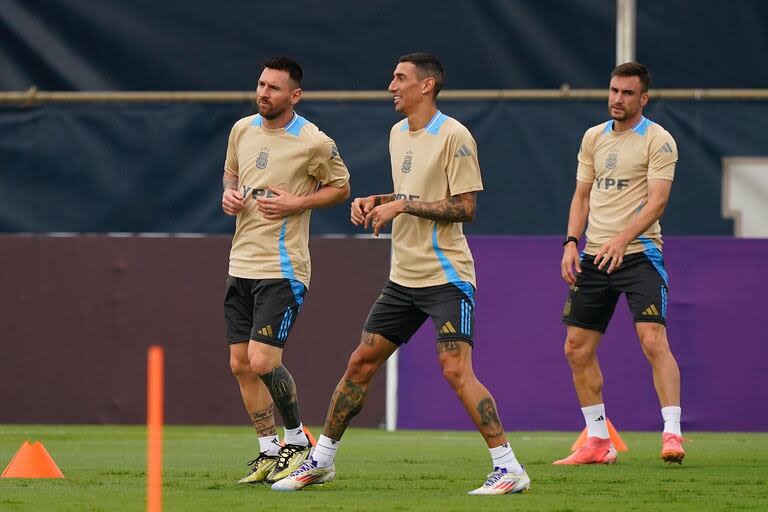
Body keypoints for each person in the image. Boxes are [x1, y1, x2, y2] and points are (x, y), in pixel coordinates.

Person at [273, 53, 530, 495]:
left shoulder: (455, 135)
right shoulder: (397, 133)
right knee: (360, 363)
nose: (391, 85)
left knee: (455, 370)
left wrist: (403, 205)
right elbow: (411, 193)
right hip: (403, 279)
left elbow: (465, 207)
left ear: (426, 86)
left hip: (447, 277)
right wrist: (378, 199)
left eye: (400, 78)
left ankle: (509, 468)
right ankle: (321, 461)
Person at [221, 56, 350, 483]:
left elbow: (341, 187)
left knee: (261, 358)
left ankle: (298, 439)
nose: (263, 93)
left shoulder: (313, 141)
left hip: (282, 266)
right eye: (260, 84)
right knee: (240, 362)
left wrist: (297, 202)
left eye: (274, 88)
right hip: (241, 261)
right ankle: (268, 449)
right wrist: (229, 197)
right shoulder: (242, 129)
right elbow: (231, 175)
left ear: (294, 95)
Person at [554, 62, 684, 465]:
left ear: (643, 98)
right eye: (613, 91)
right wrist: (572, 242)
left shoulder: (658, 140)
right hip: (594, 257)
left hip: (640, 253)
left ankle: (672, 434)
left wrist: (622, 238)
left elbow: (657, 201)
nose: (617, 99)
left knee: (651, 339)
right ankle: (597, 442)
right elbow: (582, 197)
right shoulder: (593, 138)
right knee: (576, 348)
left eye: (627, 93)